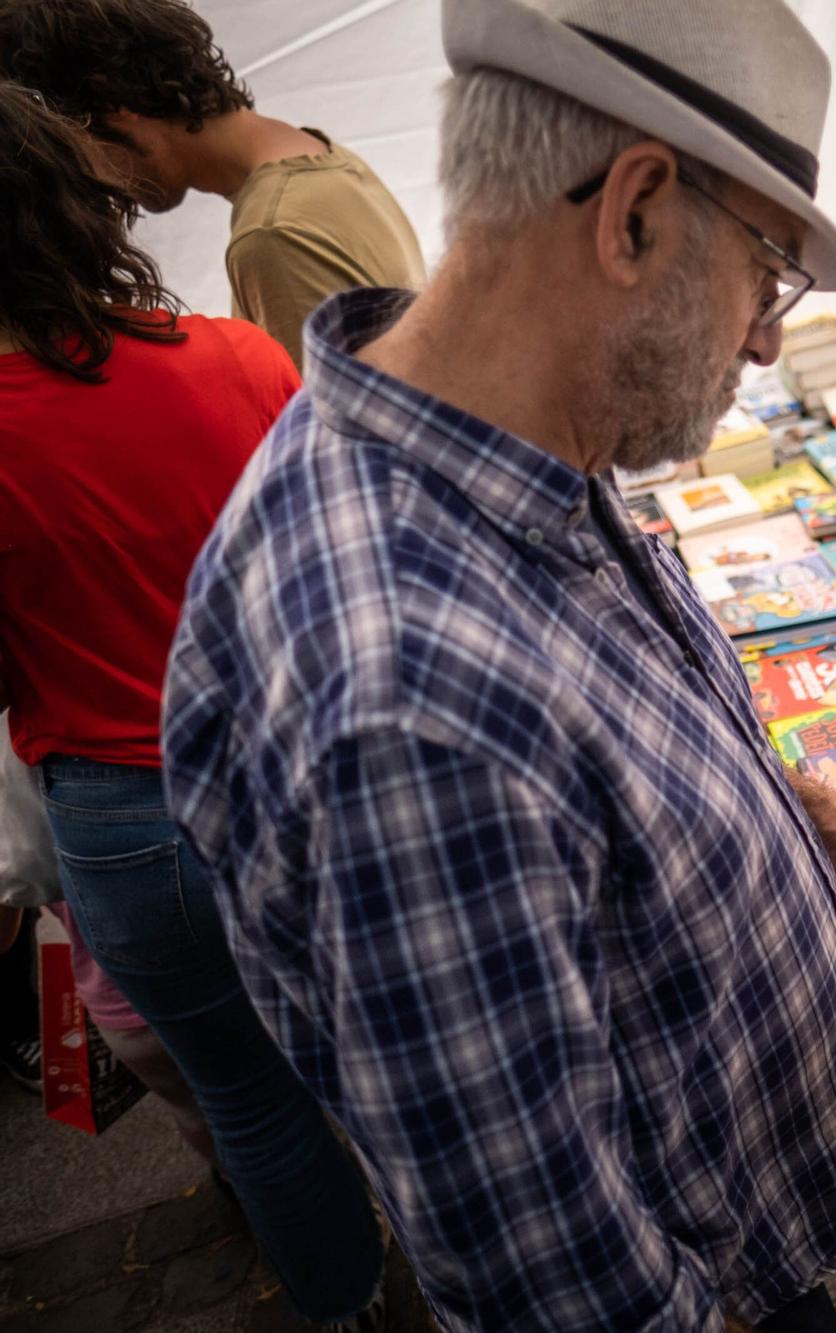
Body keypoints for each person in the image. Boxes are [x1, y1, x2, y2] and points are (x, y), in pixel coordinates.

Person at [158, 3, 836, 1330]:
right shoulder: (406, 703)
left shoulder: (506, 434)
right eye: (765, 274)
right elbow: (555, 1277)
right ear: (631, 214)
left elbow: (612, 755)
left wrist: (828, 830)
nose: (764, 340)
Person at [0, 83, 385, 1328]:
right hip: (302, 776)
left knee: (250, 1104)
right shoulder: (239, 361)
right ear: (81, 200)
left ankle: (352, 1308)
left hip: (125, 821)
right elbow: (338, 569)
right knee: (395, 1059)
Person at [0, 0, 425, 367]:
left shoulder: (273, 234)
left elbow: (324, 443)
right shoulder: (320, 156)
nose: (93, 180)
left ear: (112, 104)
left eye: (77, 150)